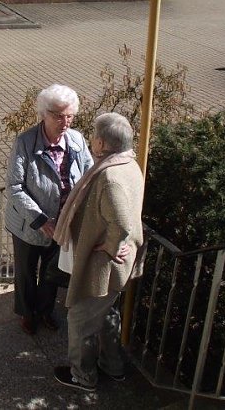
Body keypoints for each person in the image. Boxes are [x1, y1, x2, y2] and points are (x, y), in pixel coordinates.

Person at [51, 112, 145, 392]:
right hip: (115, 265)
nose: (91, 138)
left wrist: (112, 245)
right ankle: (113, 366)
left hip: (103, 265)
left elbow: (123, 222)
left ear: (102, 143)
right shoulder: (129, 163)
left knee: (80, 319)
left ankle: (83, 376)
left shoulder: (111, 177)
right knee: (106, 314)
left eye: (94, 134)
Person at [4, 84, 93, 335]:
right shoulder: (25, 142)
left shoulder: (76, 140)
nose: (65, 122)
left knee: (52, 272)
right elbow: (14, 186)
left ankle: (44, 311)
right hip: (28, 224)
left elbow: (88, 176)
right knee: (26, 272)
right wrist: (40, 220)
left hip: (63, 223)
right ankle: (27, 313)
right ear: (44, 114)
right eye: (58, 115)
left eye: (70, 116)